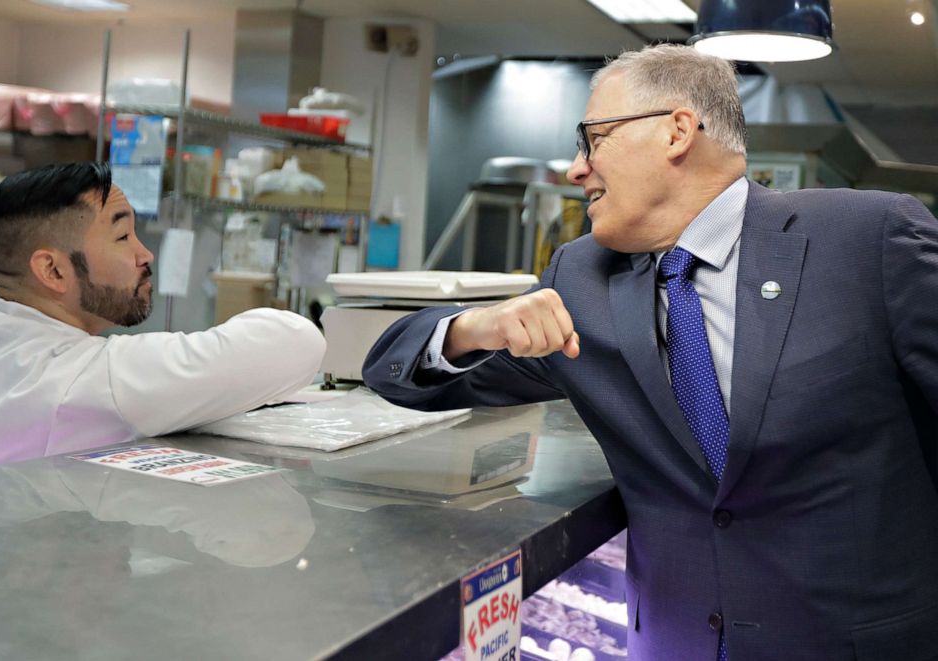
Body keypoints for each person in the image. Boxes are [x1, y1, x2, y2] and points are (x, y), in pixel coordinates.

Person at [363, 44, 938, 661]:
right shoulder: (580, 279)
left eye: (592, 139)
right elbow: (394, 373)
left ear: (676, 131)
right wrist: (475, 327)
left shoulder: (868, 240)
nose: (575, 169)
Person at [0, 161, 325, 474]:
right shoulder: (86, 380)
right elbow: (297, 343)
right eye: (122, 237)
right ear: (53, 271)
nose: (145, 255)